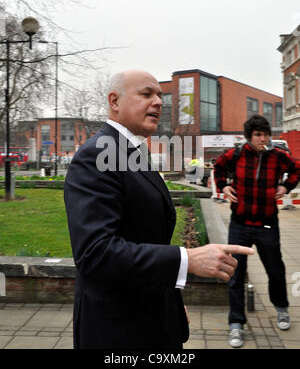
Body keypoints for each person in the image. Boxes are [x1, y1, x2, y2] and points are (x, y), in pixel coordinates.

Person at [64, 69, 254, 349]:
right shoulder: (96, 156)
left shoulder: (131, 152)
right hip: (119, 332)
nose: (157, 102)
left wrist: (171, 304)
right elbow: (96, 253)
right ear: (114, 101)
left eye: (159, 95)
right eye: (146, 94)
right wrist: (188, 259)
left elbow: (144, 239)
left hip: (152, 319)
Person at [214, 114, 300, 348]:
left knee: (275, 269)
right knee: (235, 274)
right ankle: (236, 324)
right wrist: (224, 186)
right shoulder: (237, 155)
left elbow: (297, 169)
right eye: (258, 135)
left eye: (266, 134)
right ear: (249, 137)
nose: (263, 139)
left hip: (267, 224)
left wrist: (286, 185)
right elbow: (218, 168)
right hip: (240, 224)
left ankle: (281, 309)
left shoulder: (279, 156)